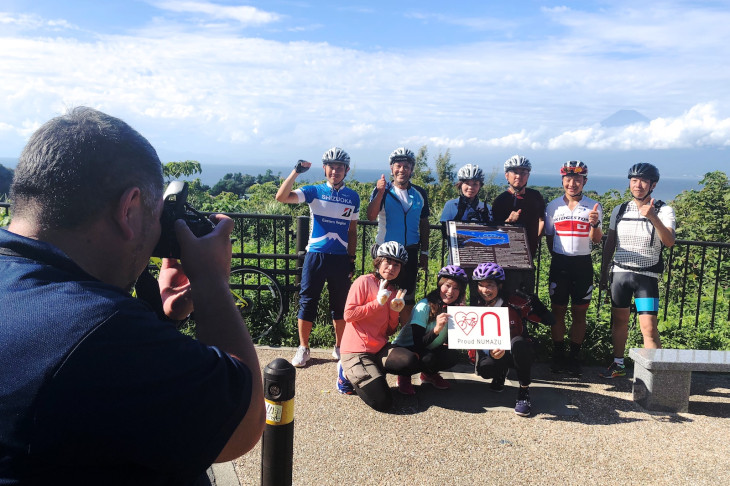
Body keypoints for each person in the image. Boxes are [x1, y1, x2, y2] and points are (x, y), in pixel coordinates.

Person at [0, 107, 264, 484]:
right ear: (129, 208)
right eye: (156, 216)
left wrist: (162, 322)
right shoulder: (100, 329)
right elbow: (242, 424)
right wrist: (211, 280)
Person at [275, 148, 360, 367]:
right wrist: (296, 172)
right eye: (331, 166)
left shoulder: (353, 197)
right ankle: (303, 348)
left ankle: (339, 346)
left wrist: (351, 259)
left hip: (340, 258)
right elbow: (282, 197)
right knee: (307, 301)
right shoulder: (315, 191)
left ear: (346, 170)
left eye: (340, 167)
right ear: (324, 168)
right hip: (316, 255)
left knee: (339, 304)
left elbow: (352, 231)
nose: (335, 171)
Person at [599, 163, 676, 379]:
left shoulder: (663, 210)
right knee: (619, 321)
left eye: (643, 181)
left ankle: (656, 373)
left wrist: (653, 217)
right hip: (620, 274)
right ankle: (618, 364)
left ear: (653, 184)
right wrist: (604, 272)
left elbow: (669, 242)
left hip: (647, 276)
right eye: (633, 180)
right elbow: (610, 242)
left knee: (649, 327)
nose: (637, 185)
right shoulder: (620, 209)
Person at [339, 242, 421, 412]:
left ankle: (375, 370)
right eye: (387, 261)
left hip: (379, 348)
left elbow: (389, 331)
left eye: (396, 264)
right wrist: (376, 303)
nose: (391, 267)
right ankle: (344, 373)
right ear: (378, 262)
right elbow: (349, 315)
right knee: (383, 402)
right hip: (356, 350)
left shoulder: (392, 290)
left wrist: (394, 311)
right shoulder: (363, 281)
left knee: (410, 361)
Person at [544, 161, 603, 377]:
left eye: (577, 179)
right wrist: (558, 257)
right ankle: (558, 355)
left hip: (582, 265)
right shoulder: (552, 206)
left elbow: (596, 241)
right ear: (562, 181)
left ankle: (574, 357)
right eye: (568, 179)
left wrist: (595, 225)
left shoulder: (593, 206)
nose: (572, 183)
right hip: (559, 263)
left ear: (584, 181)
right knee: (557, 311)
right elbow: (549, 237)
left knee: (580, 313)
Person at [472, 262, 554, 417]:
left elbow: (549, 321)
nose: (485, 290)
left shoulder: (514, 303)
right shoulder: (477, 304)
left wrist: (536, 303)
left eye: (490, 285)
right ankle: (500, 372)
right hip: (493, 350)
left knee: (518, 343)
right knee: (485, 369)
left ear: (500, 285)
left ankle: (524, 392)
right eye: (480, 285)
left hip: (518, 350)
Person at [366, 147, 430, 324]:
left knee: (406, 297)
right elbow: (370, 216)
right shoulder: (383, 190)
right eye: (398, 166)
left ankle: (403, 338)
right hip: (385, 252)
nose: (402, 170)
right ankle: (380, 335)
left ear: (412, 169)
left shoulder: (419, 193)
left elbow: (424, 224)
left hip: (409, 251)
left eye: (406, 166)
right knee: (382, 294)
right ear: (392, 168)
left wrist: (424, 252)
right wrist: (379, 192)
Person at [392, 265, 468, 395]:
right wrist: (437, 329)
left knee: (452, 355)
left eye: (456, 288)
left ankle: (428, 375)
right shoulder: (424, 306)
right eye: (447, 286)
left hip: (429, 347)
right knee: (427, 358)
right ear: (440, 285)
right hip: (406, 348)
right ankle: (404, 376)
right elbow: (417, 343)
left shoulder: (455, 308)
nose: (450, 291)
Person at [491, 155, 546, 295]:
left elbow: (542, 219)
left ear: (528, 176)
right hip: (506, 260)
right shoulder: (500, 200)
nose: (519, 176)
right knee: (507, 299)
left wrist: (536, 239)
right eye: (515, 172)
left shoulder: (535, 196)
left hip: (528, 259)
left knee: (527, 301)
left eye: (523, 173)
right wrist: (508, 222)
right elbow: (493, 232)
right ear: (506, 175)